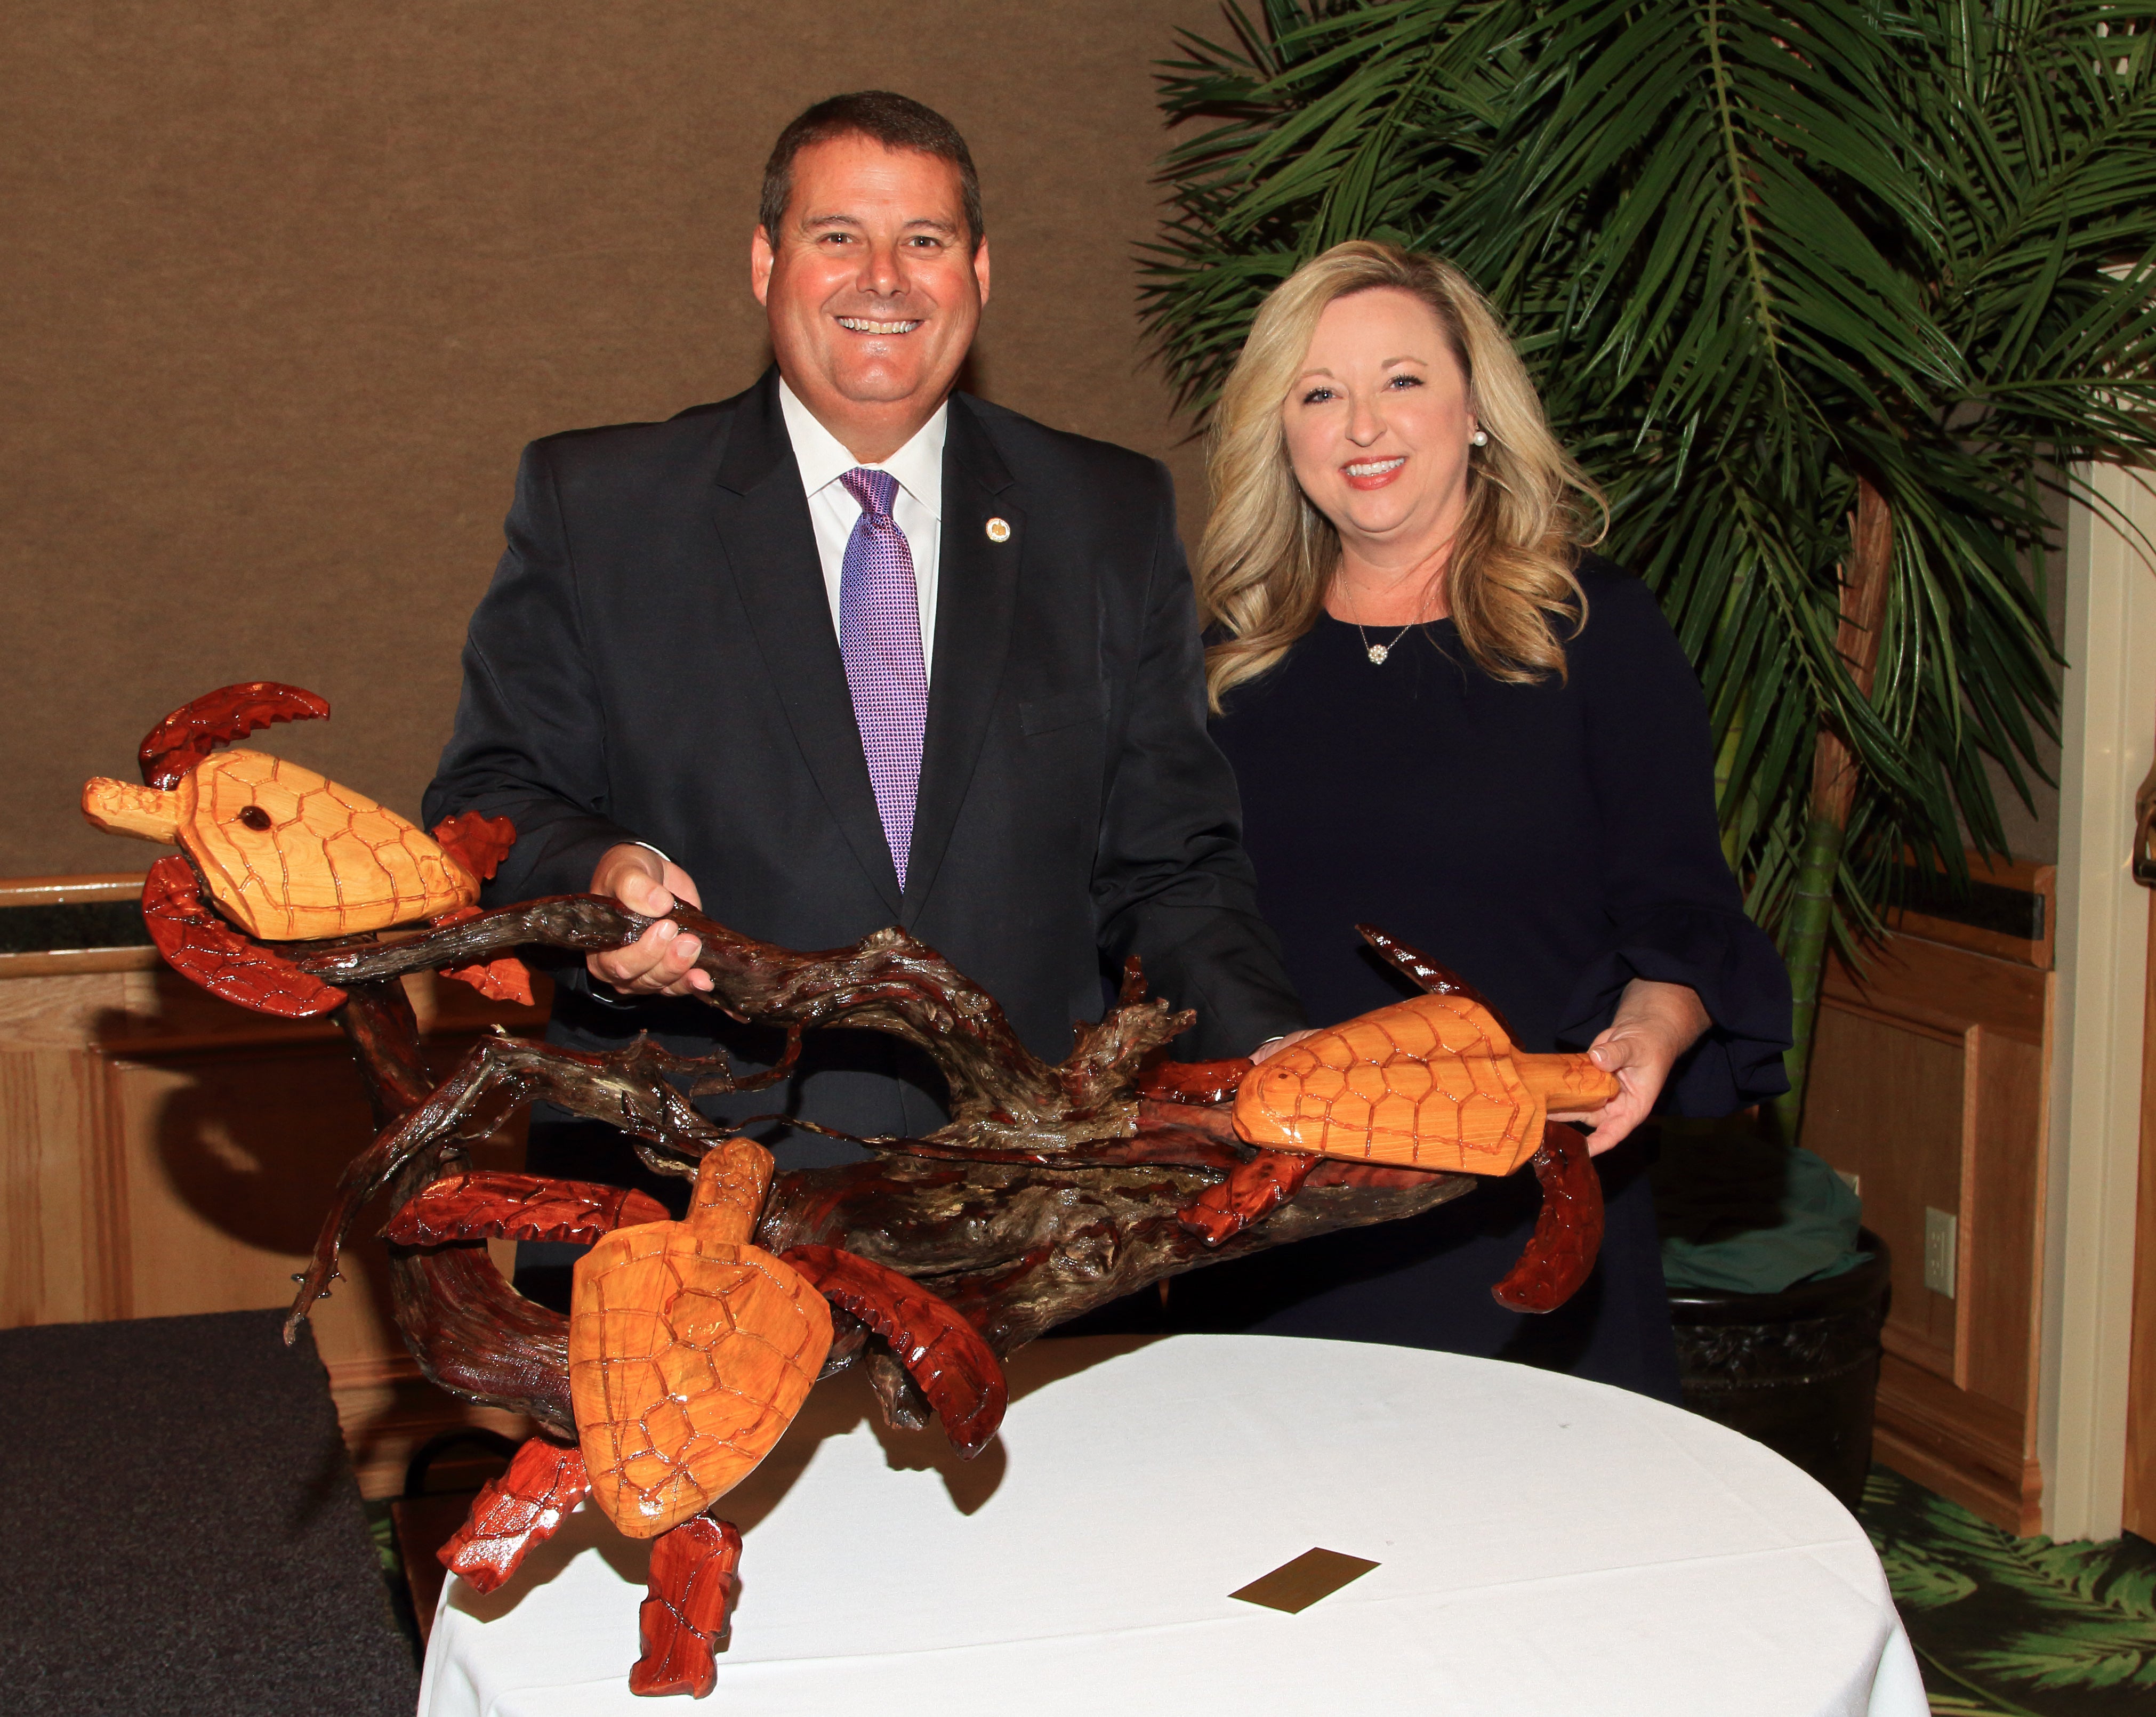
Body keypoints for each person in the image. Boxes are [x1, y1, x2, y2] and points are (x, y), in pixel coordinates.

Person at [422, 93, 1305, 1300]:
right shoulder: (604, 505)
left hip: (1030, 1223)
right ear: (765, 261)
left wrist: (1279, 1052)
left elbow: (1175, 866)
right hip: (692, 1220)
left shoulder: (1104, 517)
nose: (883, 278)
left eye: (926, 241)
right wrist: (597, 880)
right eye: (838, 235)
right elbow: (491, 800)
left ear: (980, 271)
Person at [1167, 241, 1792, 1400]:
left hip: (1521, 1205)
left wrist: (1650, 1035)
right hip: (1279, 1222)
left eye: (1401, 380)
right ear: (1281, 434)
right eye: (1319, 393)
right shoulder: (1221, 673)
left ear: (1477, 413)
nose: (1363, 425)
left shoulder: (1591, 633)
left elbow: (1680, 902)